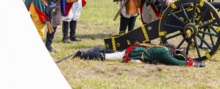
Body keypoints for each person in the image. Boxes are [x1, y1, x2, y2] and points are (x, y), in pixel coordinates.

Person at [72, 43, 205, 67]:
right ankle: (83, 54)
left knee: (114, 53)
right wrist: (190, 63)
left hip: (135, 50)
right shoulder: (165, 54)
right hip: (133, 54)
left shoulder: (167, 48)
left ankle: (92, 51)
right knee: (108, 57)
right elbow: (175, 62)